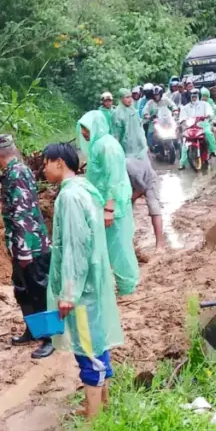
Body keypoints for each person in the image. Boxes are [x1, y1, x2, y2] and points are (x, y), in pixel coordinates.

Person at [41, 142, 124, 421]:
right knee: (97, 343)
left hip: (83, 291)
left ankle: (94, 420)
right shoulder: (85, 190)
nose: (43, 169)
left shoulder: (70, 198)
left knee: (88, 351)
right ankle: (101, 404)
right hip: (92, 285)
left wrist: (69, 293)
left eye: (45, 163)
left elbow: (77, 246)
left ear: (59, 163)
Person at [0, 134, 54, 359]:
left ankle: (49, 338)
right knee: (23, 290)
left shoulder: (17, 174)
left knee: (39, 292)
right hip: (22, 245)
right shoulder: (15, 172)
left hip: (32, 246)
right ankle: (33, 330)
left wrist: (25, 250)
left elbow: (22, 212)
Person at [76, 111, 140, 295]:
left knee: (118, 248)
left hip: (113, 206)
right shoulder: (101, 144)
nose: (83, 133)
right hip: (108, 204)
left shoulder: (106, 146)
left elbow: (114, 179)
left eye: (86, 128)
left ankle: (127, 288)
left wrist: (109, 209)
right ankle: (128, 283)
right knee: (118, 245)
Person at [126, 156, 165, 252]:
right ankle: (128, 244)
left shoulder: (131, 170)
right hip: (132, 184)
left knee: (154, 208)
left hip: (149, 181)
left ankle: (160, 246)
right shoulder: (116, 167)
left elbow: (141, 188)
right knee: (126, 211)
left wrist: (131, 198)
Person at [178, 88, 216, 167]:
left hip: (203, 124)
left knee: (208, 133)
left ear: (198, 96)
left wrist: (208, 115)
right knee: (185, 141)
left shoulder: (205, 104)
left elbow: (209, 111)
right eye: (192, 97)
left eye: (195, 96)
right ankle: (182, 163)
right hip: (190, 126)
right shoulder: (186, 107)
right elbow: (182, 116)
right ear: (190, 97)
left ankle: (213, 150)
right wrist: (182, 120)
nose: (194, 98)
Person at [113, 90, 150, 160]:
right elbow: (116, 134)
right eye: (127, 97)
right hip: (127, 151)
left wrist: (144, 144)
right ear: (121, 99)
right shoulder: (117, 113)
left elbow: (139, 126)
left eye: (130, 97)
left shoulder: (133, 109)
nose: (130, 99)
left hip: (139, 147)